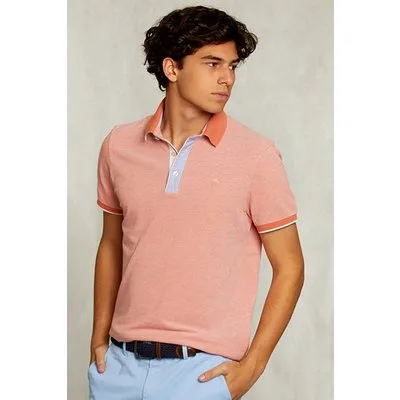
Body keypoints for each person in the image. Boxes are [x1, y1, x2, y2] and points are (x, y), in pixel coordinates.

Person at [88, 5, 304, 400]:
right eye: (212, 63)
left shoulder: (256, 156)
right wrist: (98, 341)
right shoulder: (118, 146)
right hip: (118, 368)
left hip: (202, 375)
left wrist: (251, 367)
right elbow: (111, 245)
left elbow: (290, 266)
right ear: (172, 69)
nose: (227, 78)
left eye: (232, 66)